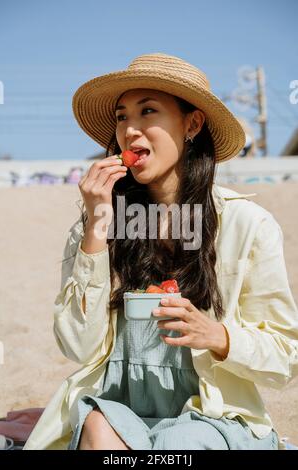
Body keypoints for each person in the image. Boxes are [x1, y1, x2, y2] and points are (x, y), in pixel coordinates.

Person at [23, 52, 298, 451]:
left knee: (181, 442)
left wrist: (218, 335)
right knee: (98, 426)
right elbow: (77, 347)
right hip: (123, 408)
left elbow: (286, 358)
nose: (130, 131)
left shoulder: (247, 226)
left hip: (212, 417)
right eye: (121, 117)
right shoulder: (96, 228)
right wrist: (97, 225)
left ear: (192, 124)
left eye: (147, 111)